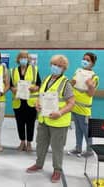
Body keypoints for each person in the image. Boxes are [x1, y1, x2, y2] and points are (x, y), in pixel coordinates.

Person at [26, 55, 75, 183]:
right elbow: (41, 95)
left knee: (57, 147)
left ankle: (57, 170)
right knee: (41, 144)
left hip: (58, 122)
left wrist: (60, 112)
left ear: (64, 68)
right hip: (43, 120)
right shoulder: (47, 79)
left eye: (59, 66)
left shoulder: (66, 83)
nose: (56, 67)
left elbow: (71, 103)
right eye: (54, 64)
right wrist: (37, 103)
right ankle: (39, 164)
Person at [68, 52, 99, 158]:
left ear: (92, 63)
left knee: (86, 131)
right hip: (74, 107)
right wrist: (70, 83)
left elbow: (91, 94)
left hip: (84, 109)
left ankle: (90, 150)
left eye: (88, 60)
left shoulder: (94, 77)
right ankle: (78, 148)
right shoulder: (78, 71)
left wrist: (90, 86)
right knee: (78, 130)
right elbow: (72, 84)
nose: (85, 61)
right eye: (84, 59)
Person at [10, 50, 41, 152]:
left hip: (30, 102)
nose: (23, 59)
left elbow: (39, 85)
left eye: (25, 57)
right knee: (20, 123)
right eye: (21, 57)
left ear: (28, 59)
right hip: (18, 102)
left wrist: (34, 88)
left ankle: (29, 143)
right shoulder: (13, 70)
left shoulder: (34, 69)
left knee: (30, 123)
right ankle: (22, 141)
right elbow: (10, 85)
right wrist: (12, 89)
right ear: (18, 59)